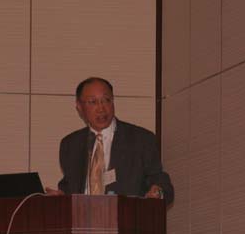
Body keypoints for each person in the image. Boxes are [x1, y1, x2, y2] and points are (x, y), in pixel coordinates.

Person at [46, 77, 174, 204]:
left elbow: (161, 182)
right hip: (83, 216)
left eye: (106, 100)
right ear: (79, 107)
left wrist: (158, 192)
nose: (101, 108)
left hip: (126, 215)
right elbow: (70, 186)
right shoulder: (70, 144)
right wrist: (62, 198)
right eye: (93, 102)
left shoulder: (141, 139)